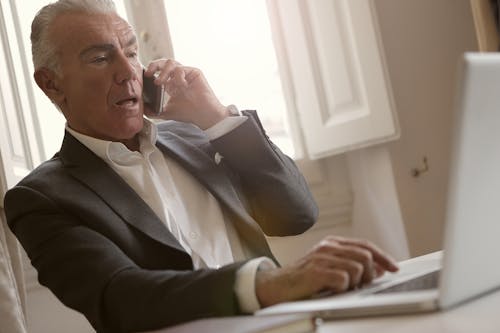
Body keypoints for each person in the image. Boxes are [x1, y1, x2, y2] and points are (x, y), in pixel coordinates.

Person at [3, 0, 399, 332]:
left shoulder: (197, 137)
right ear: (51, 84)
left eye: (130, 50)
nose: (127, 72)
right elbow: (120, 296)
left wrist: (215, 117)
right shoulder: (40, 198)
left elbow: (296, 214)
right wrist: (269, 283)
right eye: (100, 57)